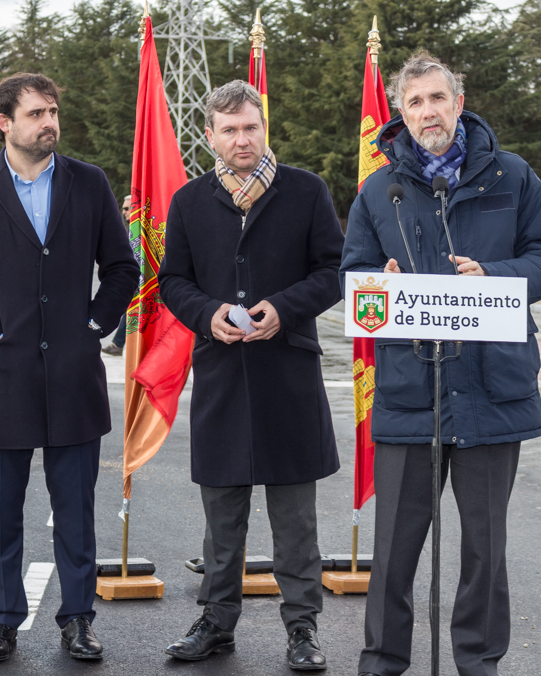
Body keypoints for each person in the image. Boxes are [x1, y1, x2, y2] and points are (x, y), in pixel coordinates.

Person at [341, 52, 541, 676]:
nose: (427, 112)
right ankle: (383, 662)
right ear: (402, 114)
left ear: (458, 104)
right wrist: (375, 284)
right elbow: (352, 275)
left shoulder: (513, 177)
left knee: (484, 549)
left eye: (437, 98)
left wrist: (494, 275)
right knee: (393, 550)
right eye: (413, 103)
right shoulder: (378, 189)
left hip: (493, 392)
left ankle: (478, 663)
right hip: (411, 391)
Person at [0, 73, 139, 663]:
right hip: (1, 381)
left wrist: (93, 326)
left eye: (54, 111)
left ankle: (77, 620)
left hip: (73, 379)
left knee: (75, 512)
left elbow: (123, 268)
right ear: (5, 122)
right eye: (37, 113)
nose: (50, 122)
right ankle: (2, 621)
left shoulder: (88, 183)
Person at [158, 80, 345, 671]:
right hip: (221, 376)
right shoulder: (189, 201)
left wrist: (284, 309)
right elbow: (173, 282)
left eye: (251, 127)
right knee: (222, 517)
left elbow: (333, 270)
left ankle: (302, 628)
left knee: (295, 519)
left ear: (265, 128)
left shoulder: (306, 191)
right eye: (230, 129)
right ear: (209, 136)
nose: (243, 139)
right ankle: (217, 621)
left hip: (288, 374)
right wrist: (208, 315)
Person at [102, 194, 132, 356]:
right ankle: (118, 344)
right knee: (130, 310)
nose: (125, 212)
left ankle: (118, 344)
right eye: (124, 209)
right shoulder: (125, 229)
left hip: (148, 281)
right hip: (134, 280)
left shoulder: (141, 229)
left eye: (129, 208)